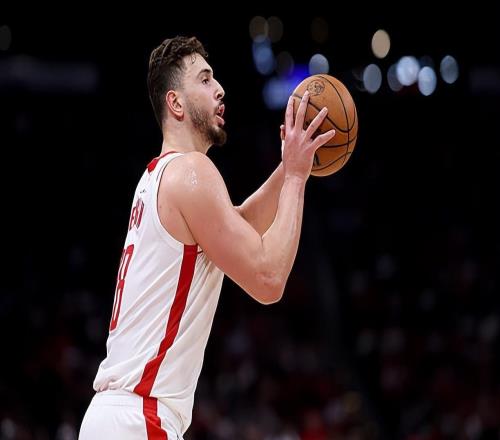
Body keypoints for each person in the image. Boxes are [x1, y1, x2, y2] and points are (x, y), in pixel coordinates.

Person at [78, 35, 335, 439]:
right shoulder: (191, 171)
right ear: (176, 104)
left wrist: (289, 165)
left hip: (119, 416)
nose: (220, 89)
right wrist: (297, 179)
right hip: (139, 418)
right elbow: (268, 279)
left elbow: (238, 225)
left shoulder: (158, 176)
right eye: (205, 79)